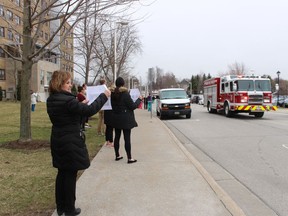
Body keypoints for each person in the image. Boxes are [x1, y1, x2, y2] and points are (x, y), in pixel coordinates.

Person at [46, 70, 110, 216]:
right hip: (70, 141)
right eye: (68, 83)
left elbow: (69, 116)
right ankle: (69, 209)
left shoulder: (53, 99)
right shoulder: (68, 101)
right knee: (70, 174)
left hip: (58, 139)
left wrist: (79, 105)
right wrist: (103, 96)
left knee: (62, 173)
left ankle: (61, 207)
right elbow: (90, 110)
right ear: (60, 84)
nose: (70, 85)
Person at [111, 77, 142, 164]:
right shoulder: (125, 94)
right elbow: (132, 106)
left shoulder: (113, 93)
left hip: (116, 118)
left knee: (117, 137)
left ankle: (117, 155)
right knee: (127, 138)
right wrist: (139, 99)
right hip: (125, 119)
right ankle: (129, 158)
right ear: (123, 84)